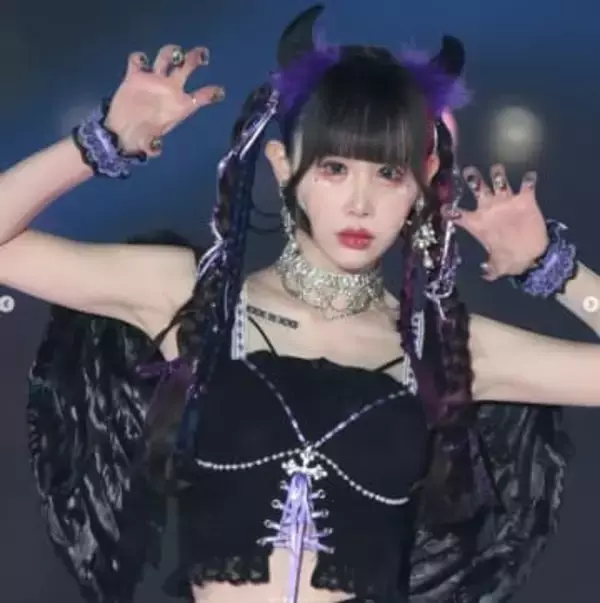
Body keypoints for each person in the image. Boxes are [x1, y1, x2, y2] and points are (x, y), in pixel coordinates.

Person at [4, 4, 597, 603]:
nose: (360, 204)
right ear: (284, 165)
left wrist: (555, 269)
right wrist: (100, 143)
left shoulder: (446, 348)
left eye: (389, 174)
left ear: (425, 178)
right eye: (335, 168)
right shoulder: (193, 296)